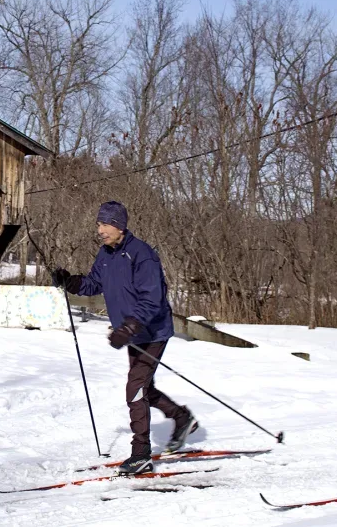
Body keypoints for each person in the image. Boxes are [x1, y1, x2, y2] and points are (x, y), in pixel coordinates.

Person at [52, 201, 198, 475]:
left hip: (152, 331)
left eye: (105, 224)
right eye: (98, 224)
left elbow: (152, 299)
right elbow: (94, 284)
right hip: (133, 332)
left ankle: (140, 453)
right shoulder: (106, 254)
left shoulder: (142, 255)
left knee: (135, 389)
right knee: (143, 387)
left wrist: (129, 327)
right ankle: (182, 417)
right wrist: (70, 281)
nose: (100, 230)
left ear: (119, 225)